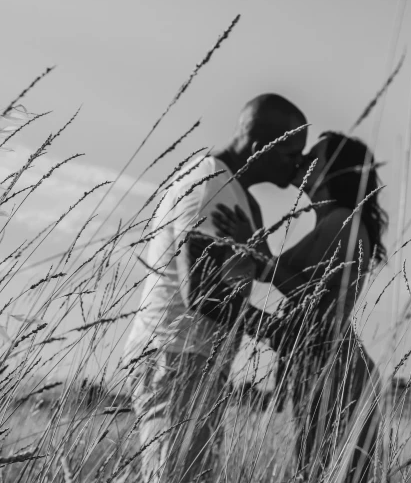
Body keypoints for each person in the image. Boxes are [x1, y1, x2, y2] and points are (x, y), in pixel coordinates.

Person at [121, 93, 307, 483]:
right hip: (176, 355)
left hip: (195, 359)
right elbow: (202, 290)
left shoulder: (237, 193)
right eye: (292, 154)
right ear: (262, 147)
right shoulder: (212, 185)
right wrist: (278, 333)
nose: (296, 167)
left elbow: (257, 267)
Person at [211, 131, 387, 483]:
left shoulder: (342, 221)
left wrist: (256, 256)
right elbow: (286, 277)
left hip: (335, 366)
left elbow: (311, 292)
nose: (302, 160)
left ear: (333, 169)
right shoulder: (333, 220)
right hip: (324, 363)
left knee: (328, 471)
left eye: (313, 156)